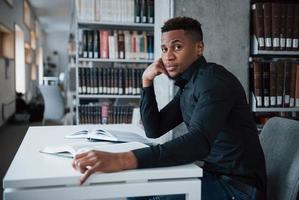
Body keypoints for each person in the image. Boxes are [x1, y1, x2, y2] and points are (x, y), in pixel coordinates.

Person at [73, 16, 267, 200]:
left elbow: (198, 142)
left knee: (146, 192)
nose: (168, 56)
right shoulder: (188, 85)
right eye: (164, 49)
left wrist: (123, 160)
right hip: (211, 175)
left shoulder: (213, 81)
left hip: (239, 189)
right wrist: (146, 81)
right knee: (138, 188)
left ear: (199, 48)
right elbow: (154, 129)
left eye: (177, 47)